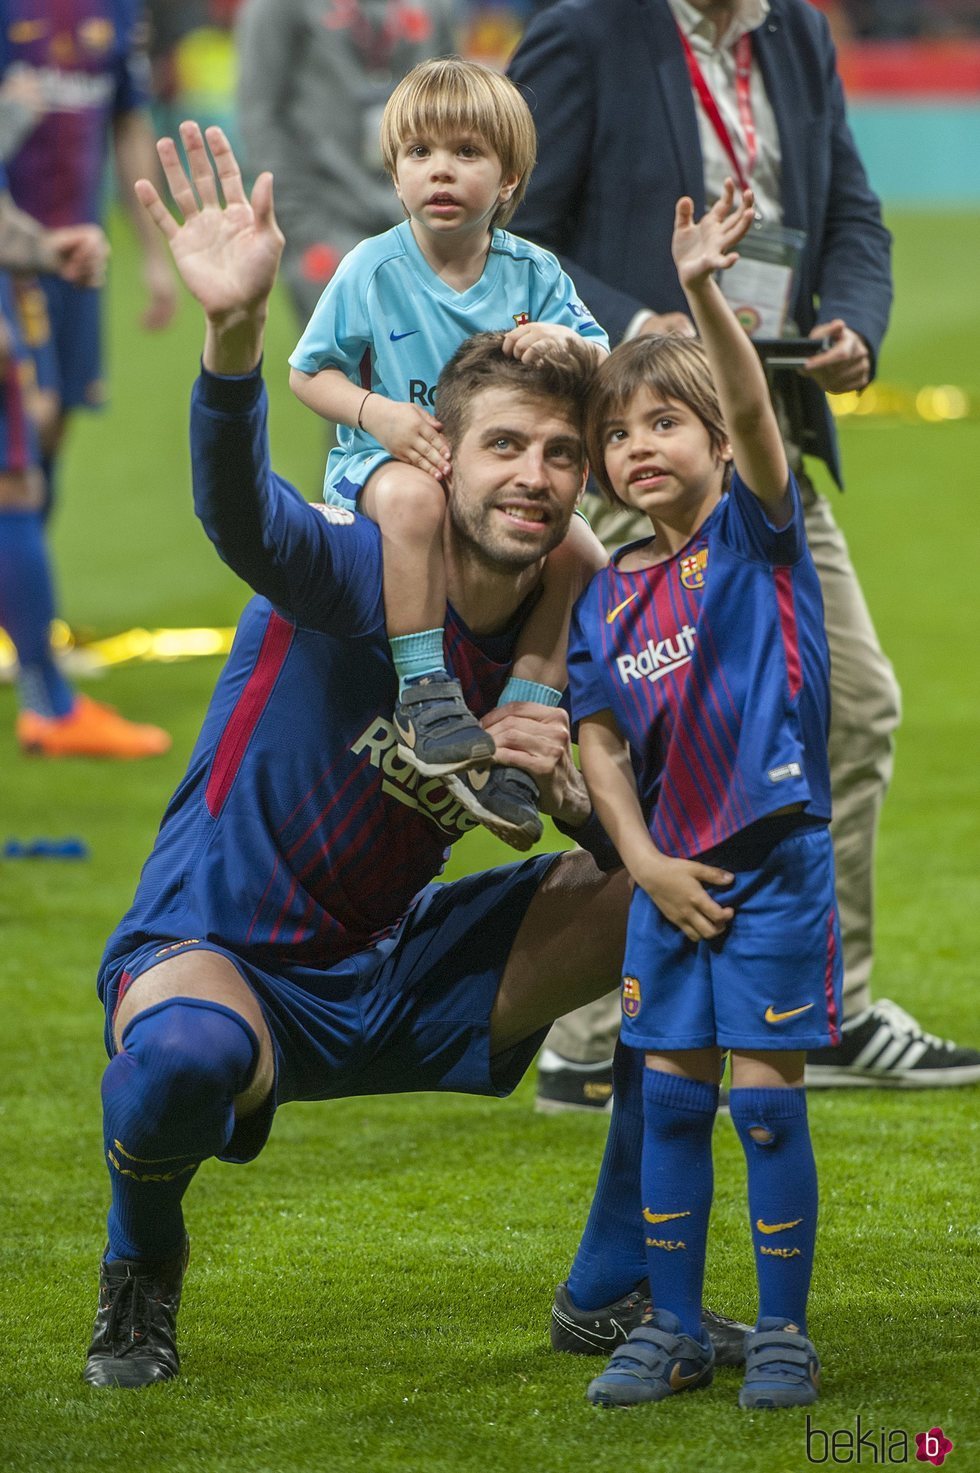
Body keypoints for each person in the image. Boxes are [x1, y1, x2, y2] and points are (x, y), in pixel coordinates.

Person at [81, 120, 637, 1390]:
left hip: (399, 967)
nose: (534, 477)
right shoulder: (354, 572)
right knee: (177, 1065)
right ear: (439, 460)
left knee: (694, 891)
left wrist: (572, 798)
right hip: (221, 961)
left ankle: (613, 1288)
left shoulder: (575, 624)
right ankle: (140, 1259)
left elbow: (637, 834)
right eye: (503, 446)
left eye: (560, 454)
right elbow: (238, 511)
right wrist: (233, 346)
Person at [508, 0, 980, 1098]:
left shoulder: (798, 36)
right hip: (636, 444)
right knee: (643, 742)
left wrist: (855, 319)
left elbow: (851, 214)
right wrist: (638, 333)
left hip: (763, 447)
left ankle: (828, 1013)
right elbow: (511, 235)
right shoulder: (586, 33)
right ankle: (588, 1042)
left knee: (852, 706)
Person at [571, 182, 836, 1410]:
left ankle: (778, 1333)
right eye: (618, 434)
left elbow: (747, 400)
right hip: (666, 886)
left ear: (721, 446)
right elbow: (599, 745)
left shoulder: (755, 534)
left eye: (666, 423)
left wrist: (696, 298)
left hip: (772, 870)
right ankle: (672, 1329)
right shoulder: (604, 596)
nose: (640, 447)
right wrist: (641, 865)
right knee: (668, 1105)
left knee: (762, 1110)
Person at [288, 58, 609, 849]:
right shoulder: (371, 268)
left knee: (581, 551)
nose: (442, 170)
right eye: (420, 153)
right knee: (414, 501)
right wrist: (379, 414)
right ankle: (426, 693)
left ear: (508, 180)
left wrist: (566, 341)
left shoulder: (533, 272)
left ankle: (525, 724)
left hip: (495, 481)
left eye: (467, 153)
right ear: (394, 173)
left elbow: (604, 358)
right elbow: (307, 372)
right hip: (394, 466)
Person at [0, 0, 176, 757]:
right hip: (21, 265)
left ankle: (29, 641)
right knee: (20, 452)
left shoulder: (117, 14)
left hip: (52, 246)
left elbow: (128, 123)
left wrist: (143, 248)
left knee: (38, 445)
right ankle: (46, 692)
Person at [236, 0, 457, 328]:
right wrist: (300, 223)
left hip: (418, 219)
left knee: (429, 365)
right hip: (325, 217)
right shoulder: (279, 7)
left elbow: (455, 102)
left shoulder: (435, 6)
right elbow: (260, 113)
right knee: (343, 366)